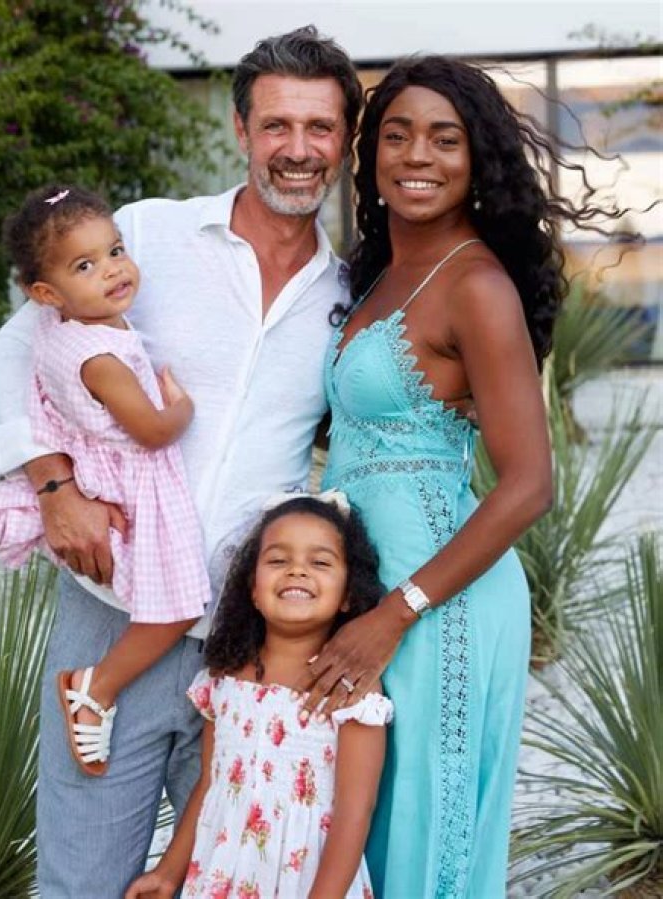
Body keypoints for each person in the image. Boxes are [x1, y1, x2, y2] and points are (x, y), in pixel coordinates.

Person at [0, 26, 363, 898]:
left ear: (344, 140)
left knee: (243, 876)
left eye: (320, 127)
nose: (298, 149)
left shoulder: (348, 298)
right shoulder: (146, 235)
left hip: (249, 638)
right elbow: (10, 358)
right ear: (240, 128)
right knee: (83, 877)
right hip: (115, 611)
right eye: (276, 124)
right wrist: (53, 485)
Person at [295, 57, 626, 897]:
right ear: (370, 154)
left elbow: (530, 484)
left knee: (423, 836)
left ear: (477, 159)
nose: (418, 155)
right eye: (398, 135)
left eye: (445, 139)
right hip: (371, 589)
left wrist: (397, 611)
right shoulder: (381, 272)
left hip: (437, 599)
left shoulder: (476, 284)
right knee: (357, 832)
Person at [0, 184, 211, 776]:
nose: (112, 270)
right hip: (140, 484)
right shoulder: (102, 357)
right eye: (85, 266)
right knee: (181, 605)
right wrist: (182, 409)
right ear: (45, 293)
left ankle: (101, 687)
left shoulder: (62, 331)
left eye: (115, 251)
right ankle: (95, 687)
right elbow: (151, 431)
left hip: (106, 477)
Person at [125, 493, 391, 899]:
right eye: (278, 560)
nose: (297, 570)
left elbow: (355, 812)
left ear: (348, 594)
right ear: (252, 588)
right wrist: (167, 873)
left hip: (308, 883)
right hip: (222, 874)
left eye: (320, 563)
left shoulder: (350, 689)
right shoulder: (225, 678)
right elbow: (211, 784)